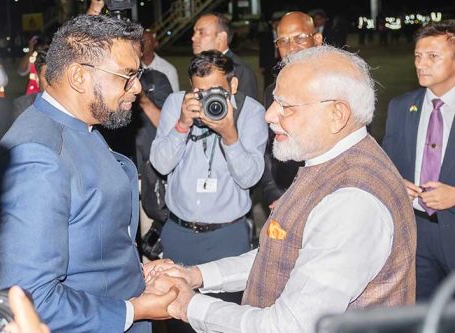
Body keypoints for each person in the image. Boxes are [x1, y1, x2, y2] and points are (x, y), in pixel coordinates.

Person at [148, 45, 417, 332]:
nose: (269, 115)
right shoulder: (328, 162)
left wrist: (188, 305)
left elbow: (287, 325)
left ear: (337, 114)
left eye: (286, 106)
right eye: (275, 101)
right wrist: (196, 275)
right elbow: (279, 254)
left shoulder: (352, 202)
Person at [0, 14, 178, 333]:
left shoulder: (77, 126)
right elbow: (31, 298)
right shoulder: (38, 155)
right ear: (79, 77)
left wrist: (134, 271)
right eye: (127, 75)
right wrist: (133, 310)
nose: (138, 87)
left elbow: (87, 234)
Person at [149, 50, 267, 332]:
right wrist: (181, 125)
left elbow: (250, 178)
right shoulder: (177, 104)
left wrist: (230, 135)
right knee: (176, 319)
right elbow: (160, 164)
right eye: (198, 91)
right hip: (179, 235)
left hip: (228, 239)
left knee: (224, 321)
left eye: (215, 91)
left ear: (233, 86)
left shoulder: (252, 113)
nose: (206, 100)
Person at [382, 21, 455, 301]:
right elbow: (387, 165)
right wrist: (396, 183)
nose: (421, 64)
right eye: (417, 56)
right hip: (415, 235)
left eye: (433, 56)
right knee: (421, 318)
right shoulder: (400, 107)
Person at [261, 11, 322, 208]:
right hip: (284, 196)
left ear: (318, 40)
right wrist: (274, 194)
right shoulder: (272, 92)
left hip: (328, 201)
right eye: (283, 41)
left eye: (300, 38)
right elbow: (268, 150)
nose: (291, 48)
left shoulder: (340, 87)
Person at [192, 13, 259, 101]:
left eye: (201, 32)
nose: (193, 38)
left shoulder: (240, 71)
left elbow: (247, 111)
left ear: (221, 37)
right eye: (194, 32)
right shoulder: (198, 66)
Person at [12, 49, 48, 120]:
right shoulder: (23, 106)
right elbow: (21, 71)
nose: (53, 83)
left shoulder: (71, 106)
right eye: (47, 77)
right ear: (37, 78)